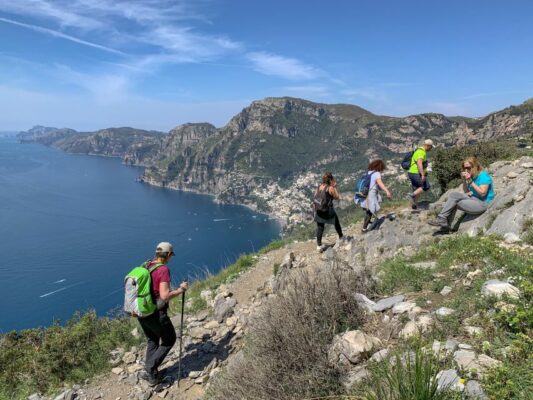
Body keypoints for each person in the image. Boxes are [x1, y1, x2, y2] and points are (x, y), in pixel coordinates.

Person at [138, 242, 188, 386]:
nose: (171, 257)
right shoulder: (163, 270)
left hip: (141, 311)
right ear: (168, 254)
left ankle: (151, 373)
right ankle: (150, 369)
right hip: (156, 312)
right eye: (171, 255)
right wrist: (181, 289)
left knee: (152, 340)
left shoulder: (146, 264)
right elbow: (164, 295)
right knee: (169, 340)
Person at [428, 157, 495, 230]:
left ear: (475, 166)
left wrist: (471, 181)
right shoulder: (473, 176)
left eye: (468, 168)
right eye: (464, 168)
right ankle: (442, 219)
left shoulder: (483, 176)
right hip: (474, 199)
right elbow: (466, 191)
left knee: (456, 202)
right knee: (453, 195)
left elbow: (482, 193)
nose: (466, 170)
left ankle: (446, 226)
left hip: (484, 203)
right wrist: (465, 180)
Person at [357, 160, 392, 232]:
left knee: (369, 210)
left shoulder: (369, 172)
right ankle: (365, 229)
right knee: (370, 211)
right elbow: (380, 183)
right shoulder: (377, 174)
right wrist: (387, 191)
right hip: (371, 195)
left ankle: (369, 223)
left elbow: (374, 184)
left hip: (366, 194)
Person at [314, 172, 344, 252]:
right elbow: (337, 197)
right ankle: (341, 237)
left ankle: (319, 246)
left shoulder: (319, 186)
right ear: (330, 179)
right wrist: (335, 187)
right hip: (327, 210)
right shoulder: (330, 188)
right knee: (336, 222)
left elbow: (315, 196)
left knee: (320, 227)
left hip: (319, 210)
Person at [407, 139, 434, 210]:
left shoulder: (419, 151)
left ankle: (414, 205)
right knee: (426, 186)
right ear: (428, 146)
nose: (431, 149)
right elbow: (419, 163)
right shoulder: (421, 152)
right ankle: (411, 196)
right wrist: (422, 174)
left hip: (412, 172)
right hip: (416, 173)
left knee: (417, 189)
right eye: (431, 147)